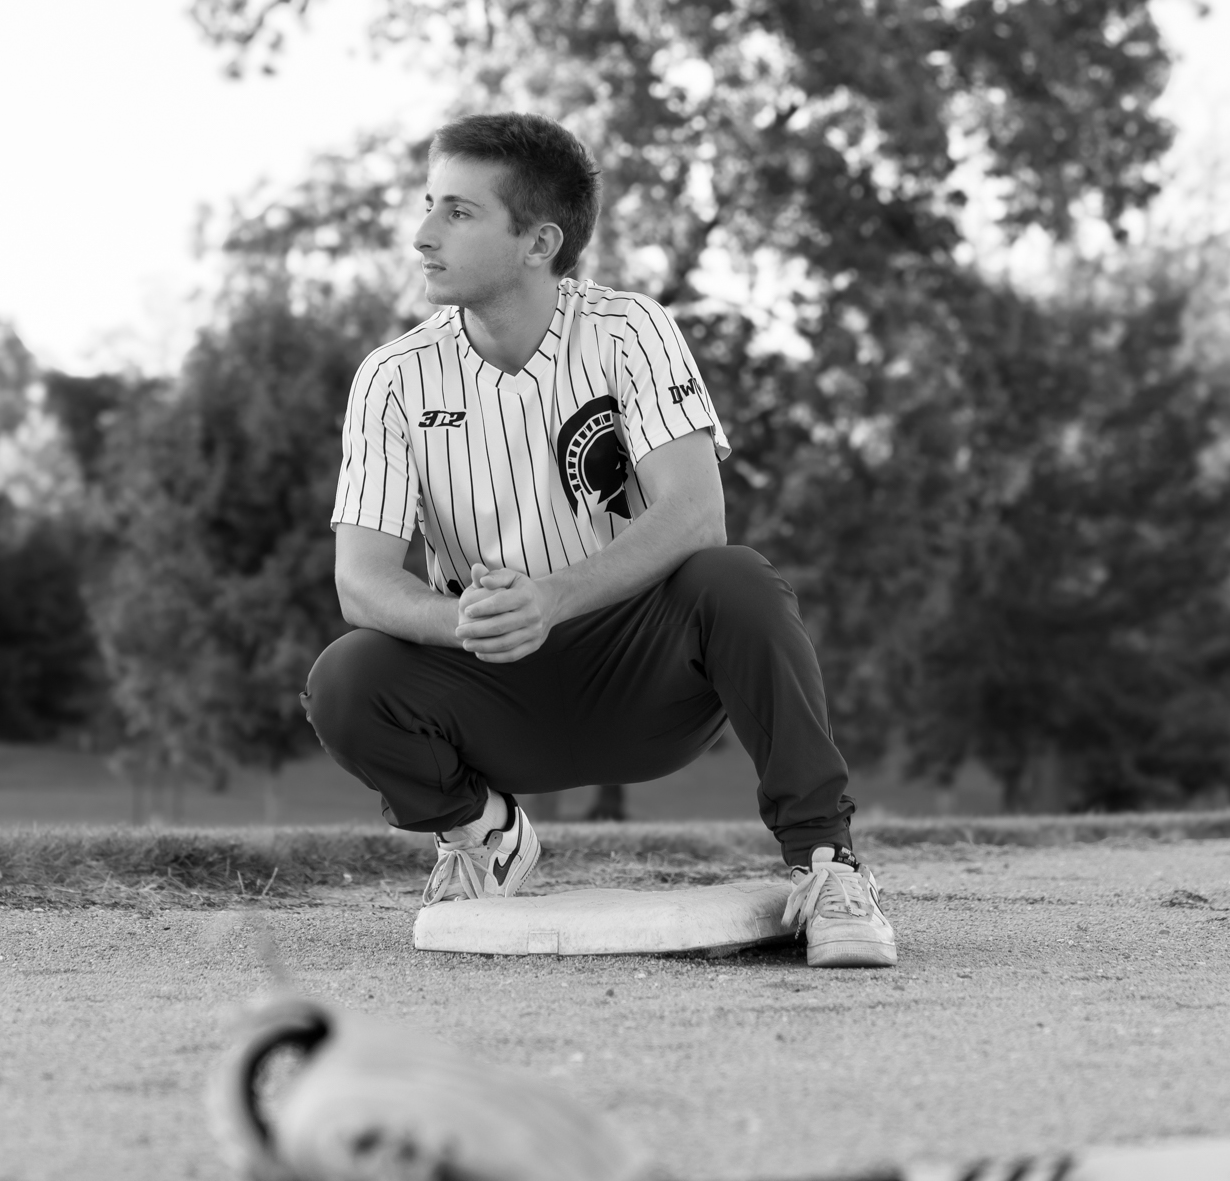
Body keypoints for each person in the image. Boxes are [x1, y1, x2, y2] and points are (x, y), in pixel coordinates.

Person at [303, 113, 896, 970]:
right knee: (345, 676)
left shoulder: (628, 330)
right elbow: (361, 583)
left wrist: (553, 599)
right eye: (430, 204)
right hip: (491, 689)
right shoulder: (392, 376)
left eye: (458, 213)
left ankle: (826, 866)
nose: (422, 234)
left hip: (642, 681)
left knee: (736, 580)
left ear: (538, 241)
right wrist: (468, 622)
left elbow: (696, 514)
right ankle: (482, 835)